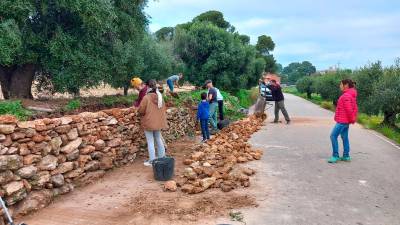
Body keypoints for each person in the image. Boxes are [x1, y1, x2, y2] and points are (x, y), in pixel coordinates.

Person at [138, 79, 167, 167]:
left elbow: (141, 110)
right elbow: (163, 109)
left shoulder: (146, 97)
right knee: (158, 139)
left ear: (148, 86)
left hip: (149, 122)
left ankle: (152, 161)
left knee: (150, 141)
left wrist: (139, 111)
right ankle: (162, 157)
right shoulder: (160, 96)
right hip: (158, 122)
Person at [328, 79, 358, 163]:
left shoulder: (346, 96)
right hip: (345, 121)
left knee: (333, 136)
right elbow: (354, 107)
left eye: (341, 84)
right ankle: (346, 156)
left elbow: (349, 109)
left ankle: (335, 156)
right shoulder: (350, 95)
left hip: (342, 121)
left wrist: (351, 119)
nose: (340, 86)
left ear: (346, 85)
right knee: (344, 137)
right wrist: (351, 120)